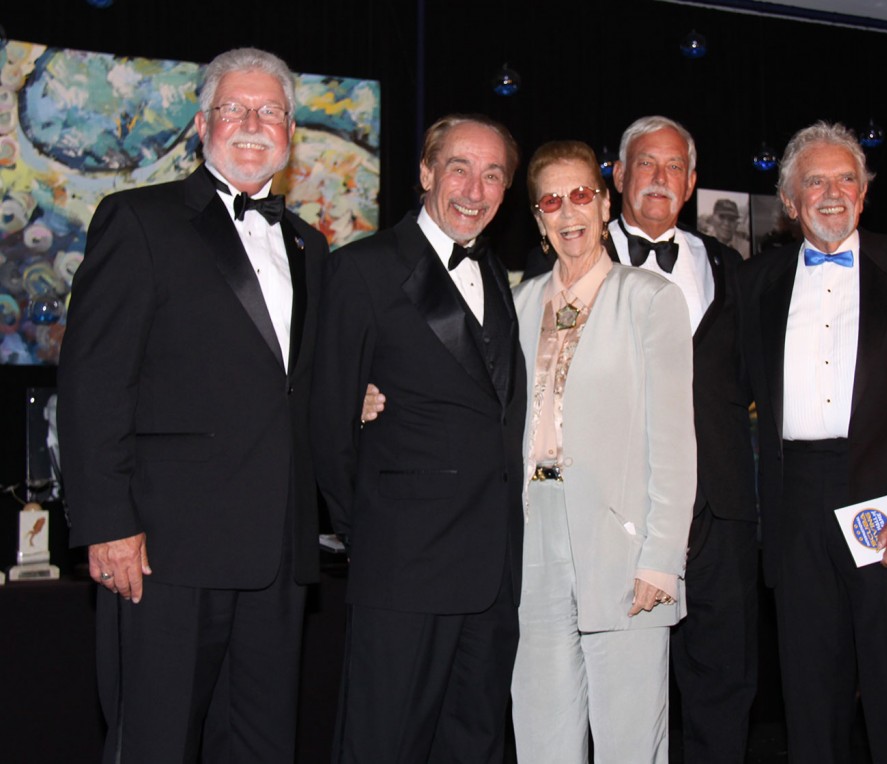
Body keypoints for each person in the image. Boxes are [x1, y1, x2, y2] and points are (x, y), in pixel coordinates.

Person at [57, 47, 328, 762]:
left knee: (263, 746)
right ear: (202, 123)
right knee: (157, 743)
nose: (251, 123)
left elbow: (295, 381)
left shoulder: (310, 246)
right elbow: (92, 381)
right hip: (165, 552)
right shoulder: (138, 220)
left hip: (278, 555)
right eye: (235, 108)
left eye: (269, 111)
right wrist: (107, 523)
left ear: (291, 133)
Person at [509, 115, 758, 763]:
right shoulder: (517, 304)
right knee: (541, 738)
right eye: (552, 200)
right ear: (537, 218)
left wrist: (660, 558)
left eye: (580, 195)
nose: (569, 212)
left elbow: (676, 440)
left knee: (629, 745)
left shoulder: (650, 297)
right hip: (535, 545)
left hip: (625, 548)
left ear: (602, 199)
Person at [738, 121, 887, 764]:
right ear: (790, 203)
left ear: (865, 194)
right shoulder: (755, 282)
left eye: (847, 178)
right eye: (815, 181)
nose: (833, 193)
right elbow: (719, 398)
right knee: (811, 705)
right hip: (793, 507)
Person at [311, 114, 527, 763]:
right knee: (385, 744)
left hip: (492, 569)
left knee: (475, 742)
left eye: (493, 174)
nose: (474, 187)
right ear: (427, 173)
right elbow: (328, 424)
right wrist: (371, 531)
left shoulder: (496, 274)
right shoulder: (363, 270)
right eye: (459, 167)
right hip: (404, 565)